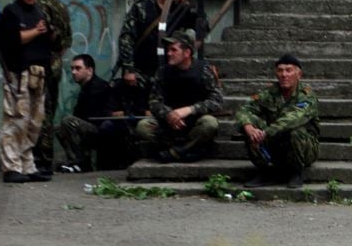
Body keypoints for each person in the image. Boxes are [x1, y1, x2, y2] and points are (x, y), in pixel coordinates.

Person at [0, 0, 51, 184]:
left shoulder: (39, 11)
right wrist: (36, 32)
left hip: (39, 73)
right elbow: (11, 41)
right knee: (15, 120)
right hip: (19, 73)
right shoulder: (11, 12)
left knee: (33, 123)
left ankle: (27, 166)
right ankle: (11, 167)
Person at [135, 28, 221, 163]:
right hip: (169, 124)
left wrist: (189, 110)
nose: (169, 53)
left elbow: (216, 100)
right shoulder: (163, 72)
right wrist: (169, 114)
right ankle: (186, 150)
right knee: (142, 126)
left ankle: (175, 152)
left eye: (174, 50)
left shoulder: (203, 70)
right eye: (168, 50)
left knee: (210, 124)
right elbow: (154, 101)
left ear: (187, 52)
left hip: (194, 122)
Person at [117, 0, 209, 91]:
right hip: (140, 74)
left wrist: (189, 8)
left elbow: (204, 27)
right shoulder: (142, 7)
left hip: (168, 75)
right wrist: (129, 68)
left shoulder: (180, 10)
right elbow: (126, 38)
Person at [236, 53, 319, 189]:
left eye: (289, 70)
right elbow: (244, 109)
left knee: (296, 130)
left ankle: (295, 172)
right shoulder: (269, 93)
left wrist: (266, 132)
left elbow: (293, 118)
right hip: (275, 143)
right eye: (280, 70)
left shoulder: (307, 95)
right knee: (251, 126)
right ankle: (265, 171)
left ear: (299, 74)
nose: (284, 74)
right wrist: (248, 127)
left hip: (304, 149)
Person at [30, 0, 71, 177]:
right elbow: (67, 41)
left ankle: (42, 160)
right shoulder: (60, 5)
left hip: (43, 62)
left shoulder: (41, 5)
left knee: (40, 112)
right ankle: (44, 159)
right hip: (56, 62)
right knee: (49, 109)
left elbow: (46, 35)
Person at [56, 54, 112, 173]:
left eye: (78, 68)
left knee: (68, 122)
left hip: (102, 131)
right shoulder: (85, 88)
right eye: (72, 69)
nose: (74, 72)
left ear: (90, 70)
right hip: (91, 127)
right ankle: (77, 162)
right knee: (59, 128)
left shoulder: (98, 87)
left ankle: (80, 163)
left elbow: (92, 116)